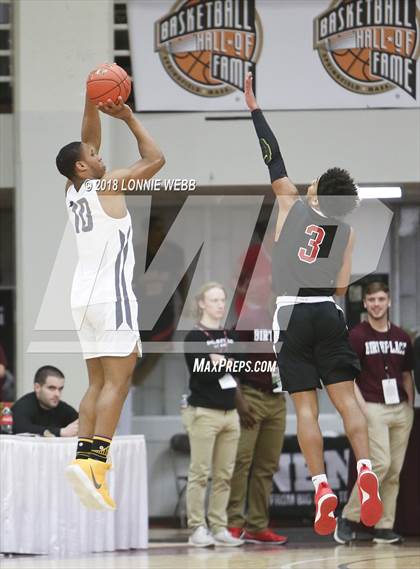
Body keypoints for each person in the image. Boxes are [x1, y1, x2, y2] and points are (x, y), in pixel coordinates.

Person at [244, 72, 382, 535]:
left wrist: (255, 111)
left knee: (306, 410)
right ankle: (365, 472)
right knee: (347, 403)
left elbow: (273, 157)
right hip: (328, 310)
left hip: (290, 314)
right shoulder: (348, 231)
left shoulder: (289, 204)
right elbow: (344, 288)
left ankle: (321, 485)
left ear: (319, 193)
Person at [56, 87, 165, 510]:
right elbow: (156, 160)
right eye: (93, 154)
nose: (100, 155)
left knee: (97, 382)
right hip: (111, 297)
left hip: (82, 298)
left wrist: (90, 101)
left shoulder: (73, 191)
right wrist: (127, 117)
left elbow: (87, 139)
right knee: (119, 384)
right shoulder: (111, 183)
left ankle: (84, 461)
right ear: (83, 166)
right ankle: (98, 463)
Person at [335, 282, 415, 544]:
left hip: (400, 409)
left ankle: (384, 525)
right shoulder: (357, 335)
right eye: (372, 300)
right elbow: (350, 378)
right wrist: (361, 410)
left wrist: (409, 406)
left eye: (381, 299)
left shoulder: (402, 337)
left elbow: (406, 374)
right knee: (379, 464)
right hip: (372, 407)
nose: (377, 304)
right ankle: (348, 517)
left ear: (389, 301)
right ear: (366, 303)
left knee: (394, 470)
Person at [182, 282, 244, 547]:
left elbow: (242, 366)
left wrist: (221, 361)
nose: (220, 304)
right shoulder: (194, 338)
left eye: (222, 299)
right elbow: (201, 372)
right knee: (199, 472)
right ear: (202, 304)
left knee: (224, 474)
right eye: (214, 300)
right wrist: (220, 364)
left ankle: (219, 525)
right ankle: (197, 527)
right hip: (204, 412)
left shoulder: (232, 335)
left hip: (231, 414)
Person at [12, 366, 78, 437]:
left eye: (60, 389)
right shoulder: (23, 406)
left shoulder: (63, 408)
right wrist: (60, 432)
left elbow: (82, 423)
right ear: (37, 387)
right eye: (51, 388)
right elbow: (20, 428)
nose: (57, 394)